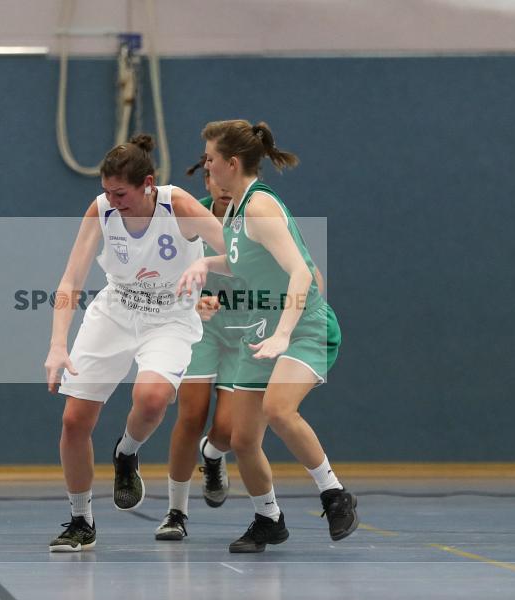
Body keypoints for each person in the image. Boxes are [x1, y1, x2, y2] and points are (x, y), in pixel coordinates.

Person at [178, 120, 358, 553]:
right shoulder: (237, 211)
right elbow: (244, 262)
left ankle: (335, 494)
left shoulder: (259, 207)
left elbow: (300, 271)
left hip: (302, 327)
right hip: (264, 332)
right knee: (242, 439)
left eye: (210, 159)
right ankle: (268, 518)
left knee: (279, 408)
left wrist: (282, 335)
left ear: (231, 163)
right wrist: (207, 265)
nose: (206, 165)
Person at [44, 134, 224, 552]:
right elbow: (70, 281)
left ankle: (127, 453)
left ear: (147, 183)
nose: (112, 199)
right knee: (73, 422)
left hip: (171, 317)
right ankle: (80, 521)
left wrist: (205, 267)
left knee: (153, 398)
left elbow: (237, 253)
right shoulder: (102, 209)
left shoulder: (177, 205)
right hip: (115, 311)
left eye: (120, 192)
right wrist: (57, 344)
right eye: (106, 191)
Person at [155, 158, 240, 541]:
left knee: (227, 429)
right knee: (191, 416)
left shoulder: (260, 216)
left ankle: (214, 454)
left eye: (230, 178)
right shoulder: (189, 219)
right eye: (215, 178)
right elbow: (165, 274)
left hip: (243, 329)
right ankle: (176, 511)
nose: (223, 186)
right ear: (206, 179)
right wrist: (193, 303)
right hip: (199, 328)